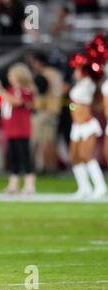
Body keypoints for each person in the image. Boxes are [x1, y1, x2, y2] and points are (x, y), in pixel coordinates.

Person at [0, 63, 36, 194]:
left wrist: (0, 90)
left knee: (25, 156)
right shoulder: (10, 90)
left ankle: (30, 184)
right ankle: (13, 184)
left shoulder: (26, 91)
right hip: (11, 129)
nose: (9, 77)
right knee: (13, 157)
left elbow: (16, 102)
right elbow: (4, 105)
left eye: (12, 75)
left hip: (22, 129)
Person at [68, 54, 106, 199]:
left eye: (77, 70)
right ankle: (84, 188)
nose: (74, 73)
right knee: (74, 156)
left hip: (87, 124)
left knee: (86, 155)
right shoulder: (78, 84)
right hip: (76, 126)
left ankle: (100, 187)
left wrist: (87, 64)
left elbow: (96, 75)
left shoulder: (90, 82)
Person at [27, 51, 64, 173]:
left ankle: (33, 168)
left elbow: (40, 92)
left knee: (36, 141)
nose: (33, 64)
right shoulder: (55, 73)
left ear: (39, 62)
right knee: (49, 141)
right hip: (54, 110)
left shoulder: (44, 75)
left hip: (43, 111)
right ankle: (51, 168)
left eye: (34, 62)